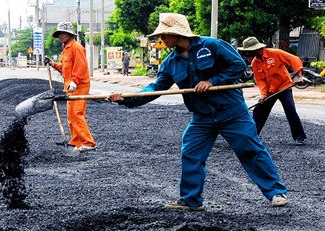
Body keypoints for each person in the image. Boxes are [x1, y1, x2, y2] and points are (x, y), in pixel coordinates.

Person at [108, 13, 288, 210]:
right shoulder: (171, 62)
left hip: (231, 112)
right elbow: (156, 88)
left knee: (250, 150)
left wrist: (213, 81)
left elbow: (238, 65)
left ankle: (275, 192)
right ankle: (191, 200)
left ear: (175, 32)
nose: (161, 39)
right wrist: (126, 98)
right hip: (202, 117)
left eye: (164, 35)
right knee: (191, 152)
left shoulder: (212, 46)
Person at [238, 36, 307, 145]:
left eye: (249, 51)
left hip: (284, 87)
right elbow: (260, 80)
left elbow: (294, 59)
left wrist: (299, 75)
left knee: (290, 109)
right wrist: (263, 94)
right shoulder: (255, 63)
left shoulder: (275, 53)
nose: (248, 54)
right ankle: (252, 137)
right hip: (270, 91)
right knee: (258, 111)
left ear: (256, 49)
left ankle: (299, 137)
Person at [44, 22, 96, 152]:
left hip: (79, 85)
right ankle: (76, 141)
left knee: (77, 113)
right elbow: (66, 68)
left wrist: (75, 81)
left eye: (63, 33)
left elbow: (81, 66)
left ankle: (88, 143)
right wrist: (52, 64)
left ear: (69, 34)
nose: (61, 36)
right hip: (70, 86)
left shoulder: (76, 47)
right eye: (59, 34)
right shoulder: (66, 48)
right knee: (71, 115)